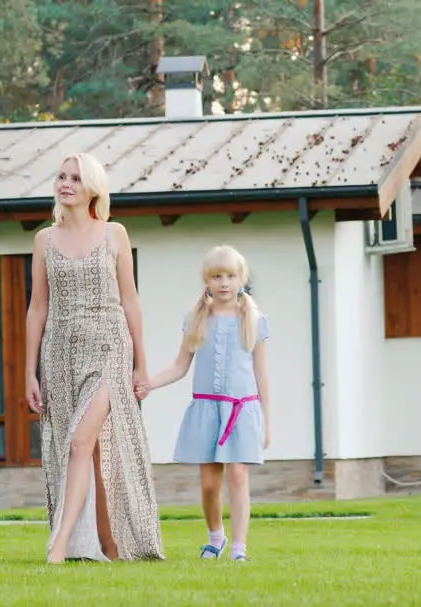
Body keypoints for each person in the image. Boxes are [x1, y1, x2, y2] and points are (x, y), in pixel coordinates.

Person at [25, 152, 165, 564]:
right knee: (92, 451)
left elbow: (131, 300)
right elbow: (37, 307)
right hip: (60, 353)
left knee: (81, 441)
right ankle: (109, 546)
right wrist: (29, 372)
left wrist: (141, 363)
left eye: (75, 178)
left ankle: (60, 544)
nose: (65, 183)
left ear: (93, 188)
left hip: (109, 347)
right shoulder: (43, 241)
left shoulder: (114, 234)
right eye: (61, 176)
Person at [148, 246, 270, 562]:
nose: (224, 283)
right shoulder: (196, 320)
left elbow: (261, 374)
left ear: (241, 279)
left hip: (242, 410)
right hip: (207, 410)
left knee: (239, 477)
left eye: (231, 276)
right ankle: (217, 537)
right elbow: (179, 366)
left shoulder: (253, 320)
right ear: (208, 280)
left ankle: (240, 549)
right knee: (209, 484)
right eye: (217, 276)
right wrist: (149, 383)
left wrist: (267, 422)